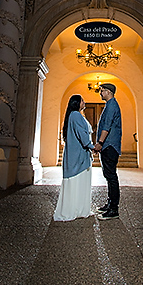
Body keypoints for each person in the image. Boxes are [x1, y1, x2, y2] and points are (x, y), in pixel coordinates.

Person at [53, 94, 96, 221]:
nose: (84, 102)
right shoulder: (76, 115)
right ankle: (77, 210)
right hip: (78, 155)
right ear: (76, 103)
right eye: (82, 100)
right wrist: (91, 146)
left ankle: (77, 209)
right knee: (79, 181)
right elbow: (82, 134)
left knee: (75, 183)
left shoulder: (73, 115)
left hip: (76, 154)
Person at [92, 82, 122, 220]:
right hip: (108, 146)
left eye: (102, 90)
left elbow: (107, 126)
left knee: (111, 177)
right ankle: (110, 204)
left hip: (109, 146)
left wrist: (100, 143)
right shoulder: (110, 105)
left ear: (108, 92)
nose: (100, 93)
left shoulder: (111, 106)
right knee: (109, 176)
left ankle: (113, 209)